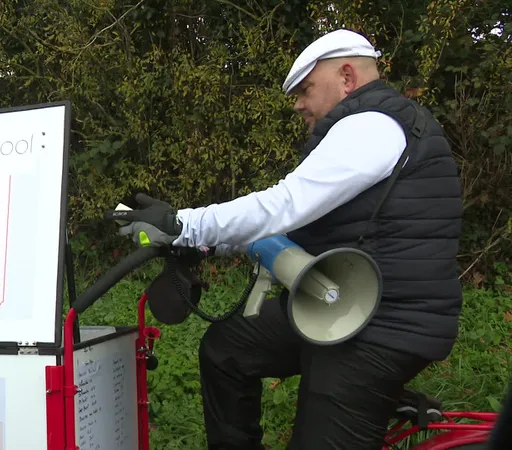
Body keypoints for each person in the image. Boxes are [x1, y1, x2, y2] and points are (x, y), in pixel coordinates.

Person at [107, 29, 464, 449]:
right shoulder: (366, 127)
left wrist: (185, 224)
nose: (298, 104)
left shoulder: (374, 126)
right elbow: (287, 227)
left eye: (306, 89)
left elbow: (286, 204)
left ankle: (373, 397)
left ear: (347, 77)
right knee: (226, 351)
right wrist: (198, 239)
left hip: (386, 325)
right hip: (342, 303)